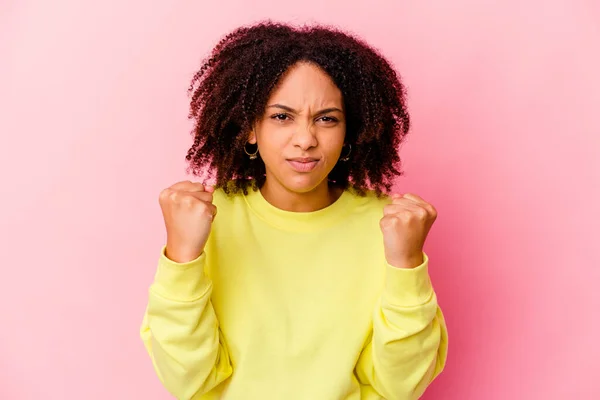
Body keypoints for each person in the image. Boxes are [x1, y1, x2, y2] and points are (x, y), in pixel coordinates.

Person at [140, 21, 448, 400]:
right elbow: (188, 379)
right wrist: (182, 256)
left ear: (350, 130)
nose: (305, 140)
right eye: (282, 116)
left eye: (327, 118)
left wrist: (407, 265)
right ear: (250, 128)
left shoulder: (391, 226)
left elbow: (399, 387)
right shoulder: (202, 219)